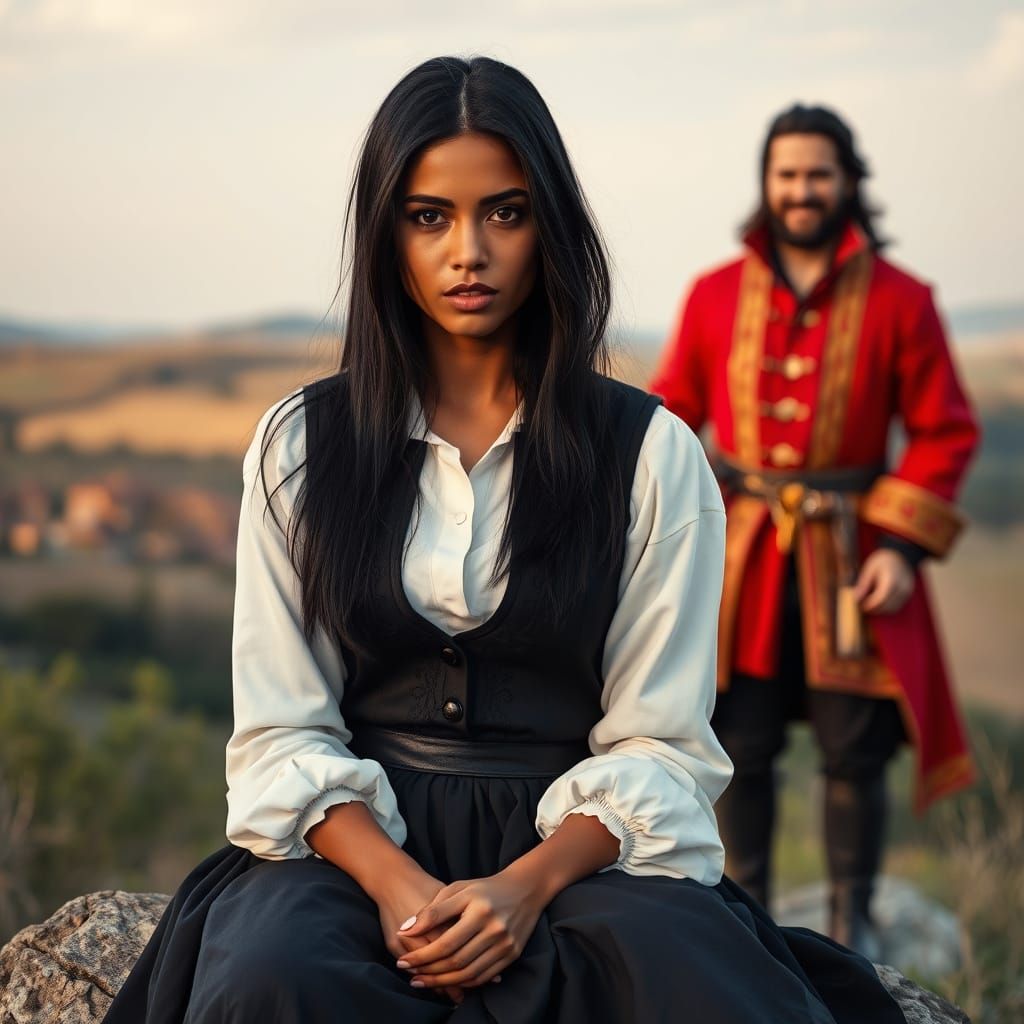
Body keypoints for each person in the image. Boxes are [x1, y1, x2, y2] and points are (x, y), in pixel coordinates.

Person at [104, 64, 904, 1023]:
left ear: (550, 228)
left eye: (506, 213)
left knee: (686, 990)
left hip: (581, 855)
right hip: (350, 852)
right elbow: (281, 730)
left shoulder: (650, 456)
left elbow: (663, 745)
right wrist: (401, 890)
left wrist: (524, 888)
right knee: (274, 980)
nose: (468, 252)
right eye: (430, 216)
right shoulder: (299, 448)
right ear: (384, 231)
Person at [649, 103, 979, 959]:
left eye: (818, 174)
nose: (801, 190)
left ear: (847, 182)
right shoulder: (713, 295)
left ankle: (852, 922)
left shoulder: (905, 300)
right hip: (746, 557)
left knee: (853, 752)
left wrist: (903, 547)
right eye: (787, 174)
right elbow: (669, 418)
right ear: (767, 183)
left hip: (853, 558)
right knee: (739, 745)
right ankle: (745, 921)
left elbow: (945, 428)